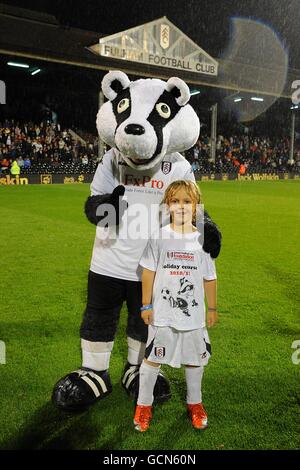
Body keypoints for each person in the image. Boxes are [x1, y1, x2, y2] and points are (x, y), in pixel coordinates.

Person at [134, 180, 218, 432]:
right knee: (152, 360)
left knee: (195, 361)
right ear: (168, 205)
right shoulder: (159, 236)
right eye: (175, 201)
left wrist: (212, 309)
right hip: (162, 314)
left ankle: (195, 403)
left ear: (196, 207)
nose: (181, 206)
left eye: (187, 201)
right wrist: (145, 305)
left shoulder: (203, 241)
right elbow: (148, 272)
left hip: (193, 316)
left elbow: (209, 277)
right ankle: (143, 406)